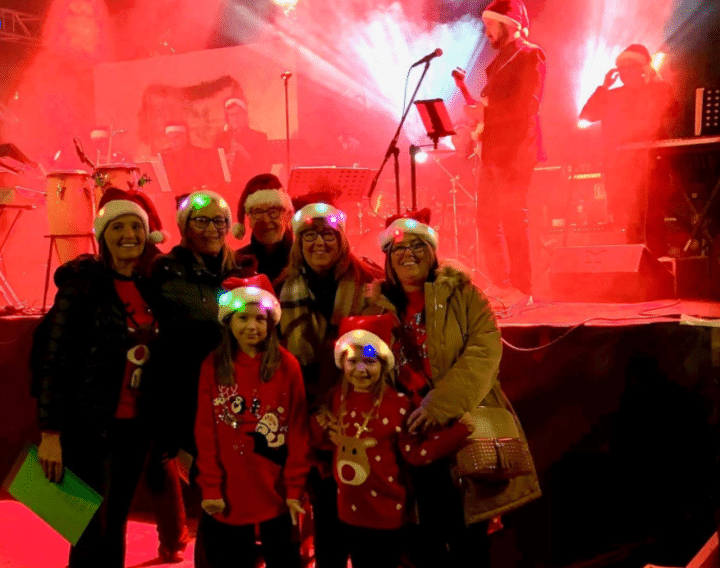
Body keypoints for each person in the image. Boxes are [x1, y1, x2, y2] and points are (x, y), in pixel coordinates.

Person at [363, 209, 541, 567]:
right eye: (399, 247)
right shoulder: (374, 306)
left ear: (432, 252)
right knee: (422, 540)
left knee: (468, 540)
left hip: (461, 430)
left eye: (418, 245)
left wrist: (440, 405)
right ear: (387, 257)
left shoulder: (464, 294)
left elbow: (484, 352)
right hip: (409, 438)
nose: (408, 253)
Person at [31, 190, 165, 568]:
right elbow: (53, 359)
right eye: (117, 227)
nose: (128, 235)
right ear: (103, 235)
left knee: (116, 523)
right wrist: (50, 433)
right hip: (89, 427)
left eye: (136, 227)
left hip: (134, 429)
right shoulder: (83, 285)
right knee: (89, 529)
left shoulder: (148, 288)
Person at [310, 314, 475, 568]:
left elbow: (415, 453)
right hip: (348, 513)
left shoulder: (398, 405)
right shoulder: (336, 399)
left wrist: (459, 433)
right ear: (341, 362)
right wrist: (320, 426)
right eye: (352, 361)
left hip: (386, 515)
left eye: (369, 360)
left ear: (383, 362)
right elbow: (328, 443)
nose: (361, 369)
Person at [277, 199, 382, 568]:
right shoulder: (283, 289)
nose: (319, 243)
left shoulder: (370, 282)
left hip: (362, 410)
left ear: (342, 240)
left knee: (367, 510)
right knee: (326, 509)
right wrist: (316, 411)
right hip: (312, 414)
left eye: (328, 235)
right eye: (310, 236)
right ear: (298, 242)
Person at [195, 274, 310, 568]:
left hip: (278, 492)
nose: (251, 326)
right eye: (243, 318)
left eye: (260, 319)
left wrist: (295, 487)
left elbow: (298, 432)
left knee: (284, 559)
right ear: (229, 321)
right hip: (229, 491)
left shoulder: (287, 366)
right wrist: (211, 486)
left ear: (270, 323)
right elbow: (206, 431)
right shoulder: (213, 365)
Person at [455, 0, 546, 303]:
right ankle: (500, 282)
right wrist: (480, 119)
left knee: (512, 219)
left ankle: (522, 288)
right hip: (493, 151)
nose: (487, 32)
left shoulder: (530, 54)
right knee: (486, 220)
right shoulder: (499, 61)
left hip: (516, 150)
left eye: (490, 24)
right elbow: (491, 108)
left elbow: (529, 104)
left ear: (508, 24)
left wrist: (486, 111)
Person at [580, 44, 679, 254]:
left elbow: (673, 110)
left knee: (652, 217)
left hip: (651, 166)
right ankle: (633, 262)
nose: (625, 72)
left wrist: (655, 82)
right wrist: (604, 87)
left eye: (630, 67)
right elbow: (587, 115)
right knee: (628, 219)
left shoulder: (656, 90)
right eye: (621, 68)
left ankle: (657, 261)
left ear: (643, 68)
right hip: (621, 168)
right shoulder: (612, 95)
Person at [231, 173, 294, 285]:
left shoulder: (304, 259)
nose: (266, 220)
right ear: (249, 218)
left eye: (273, 211)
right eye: (258, 212)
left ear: (288, 215)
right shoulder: (236, 263)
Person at [214, 98, 272, 185]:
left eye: (238, 114)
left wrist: (244, 153)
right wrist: (223, 161)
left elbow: (265, 168)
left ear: (245, 115)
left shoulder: (259, 137)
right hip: (226, 187)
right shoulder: (220, 138)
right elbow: (212, 166)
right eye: (231, 115)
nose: (235, 118)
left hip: (250, 186)